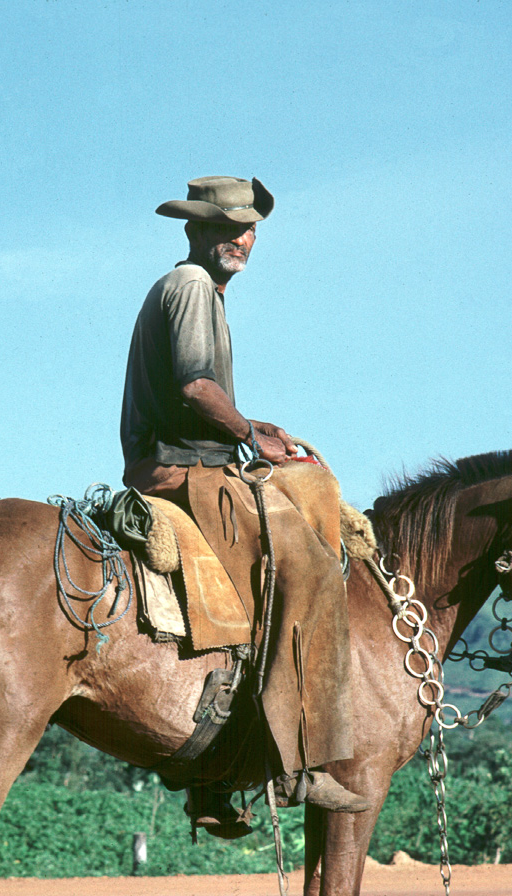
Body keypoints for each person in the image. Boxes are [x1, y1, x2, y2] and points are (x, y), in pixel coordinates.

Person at [121, 175, 366, 821]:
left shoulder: (188, 288)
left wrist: (257, 429)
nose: (242, 239)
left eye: (249, 228)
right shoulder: (194, 287)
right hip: (184, 472)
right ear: (195, 230)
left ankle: (220, 772)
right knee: (311, 569)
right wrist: (253, 437)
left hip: (177, 461)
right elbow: (198, 389)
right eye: (228, 227)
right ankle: (297, 765)